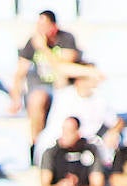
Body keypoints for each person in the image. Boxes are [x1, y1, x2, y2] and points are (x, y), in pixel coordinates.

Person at [10, 11, 81, 153]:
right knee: (37, 99)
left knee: (61, 85)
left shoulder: (66, 39)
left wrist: (44, 48)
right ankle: (36, 147)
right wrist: (15, 97)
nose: (39, 28)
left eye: (43, 24)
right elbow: (19, 73)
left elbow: (64, 69)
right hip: (41, 87)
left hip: (63, 87)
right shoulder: (33, 42)